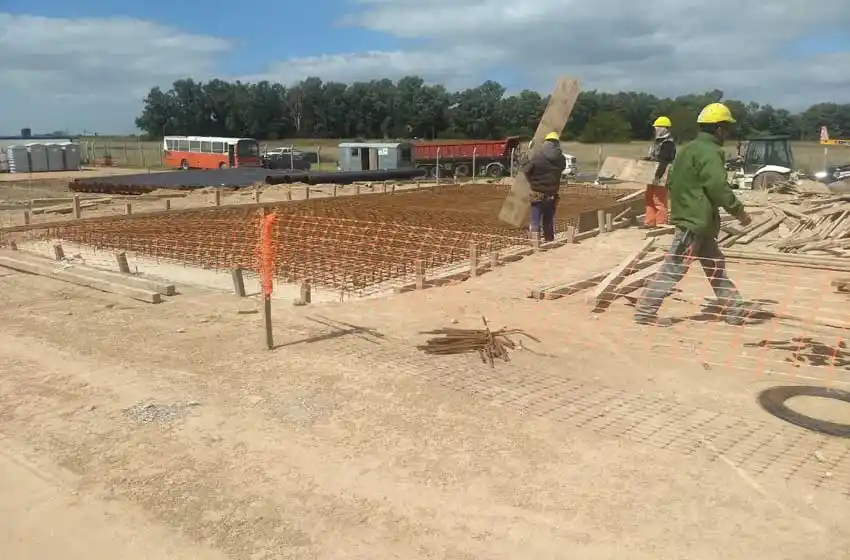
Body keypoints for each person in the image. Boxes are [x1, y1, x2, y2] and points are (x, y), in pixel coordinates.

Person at [634, 102, 752, 327]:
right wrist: (739, 212)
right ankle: (645, 311)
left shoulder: (688, 149)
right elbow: (718, 186)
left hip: (697, 220)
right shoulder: (710, 152)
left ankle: (734, 310)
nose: (728, 133)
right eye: (726, 128)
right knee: (673, 268)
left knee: (715, 265)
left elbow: (673, 182)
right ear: (718, 129)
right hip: (695, 222)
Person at [522, 132, 566, 242]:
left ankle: (536, 244)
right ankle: (549, 242)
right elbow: (562, 168)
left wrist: (531, 180)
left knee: (535, 221)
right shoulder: (561, 159)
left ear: (546, 143)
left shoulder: (538, 157)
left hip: (538, 194)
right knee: (548, 221)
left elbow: (526, 170)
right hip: (552, 195)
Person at [641, 116, 677, 228]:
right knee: (649, 197)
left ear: (664, 129)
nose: (656, 130)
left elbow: (664, 161)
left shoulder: (668, 144)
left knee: (659, 200)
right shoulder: (656, 142)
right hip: (653, 174)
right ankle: (650, 222)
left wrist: (658, 176)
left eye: (658, 128)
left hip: (662, 174)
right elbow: (654, 157)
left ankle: (661, 224)